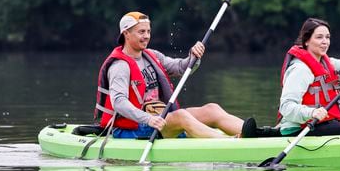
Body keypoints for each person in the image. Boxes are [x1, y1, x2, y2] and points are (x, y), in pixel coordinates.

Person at [94, 11, 244, 138]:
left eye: (148, 31)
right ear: (126, 34)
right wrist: (148, 120)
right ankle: (227, 142)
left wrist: (194, 57)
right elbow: (119, 102)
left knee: (212, 109)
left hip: (159, 118)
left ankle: (253, 134)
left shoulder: (151, 55)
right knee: (181, 116)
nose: (146, 36)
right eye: (141, 32)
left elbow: (181, 68)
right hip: (130, 128)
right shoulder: (120, 66)